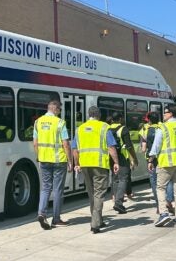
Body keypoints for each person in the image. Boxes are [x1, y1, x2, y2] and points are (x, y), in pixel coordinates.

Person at [72, 106, 120, 234]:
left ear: (89, 115)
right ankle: (95, 224)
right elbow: (111, 147)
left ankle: (98, 219)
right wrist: (116, 162)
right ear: (99, 115)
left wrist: (77, 163)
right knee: (99, 194)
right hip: (100, 165)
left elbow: (74, 149)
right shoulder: (104, 127)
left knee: (92, 194)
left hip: (85, 165)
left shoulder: (79, 129)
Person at [148, 105, 176, 227]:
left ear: (171, 114)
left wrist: (150, 159)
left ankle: (164, 214)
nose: (163, 115)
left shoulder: (163, 127)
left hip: (166, 163)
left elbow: (156, 146)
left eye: (165, 112)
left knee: (160, 188)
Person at [33, 100, 72, 229]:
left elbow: (35, 143)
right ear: (55, 109)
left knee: (45, 188)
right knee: (58, 190)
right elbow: (65, 143)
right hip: (59, 161)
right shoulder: (60, 123)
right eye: (59, 109)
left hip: (44, 160)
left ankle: (41, 213)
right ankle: (56, 219)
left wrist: (38, 157)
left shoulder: (37, 122)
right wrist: (70, 161)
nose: (59, 112)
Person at [106, 112, 139, 214]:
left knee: (115, 178)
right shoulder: (123, 129)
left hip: (111, 156)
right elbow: (129, 146)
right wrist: (134, 158)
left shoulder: (107, 128)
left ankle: (116, 199)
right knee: (123, 179)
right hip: (122, 157)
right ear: (120, 119)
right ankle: (119, 203)